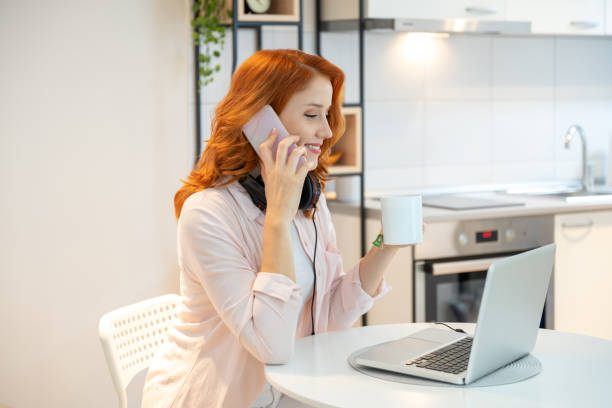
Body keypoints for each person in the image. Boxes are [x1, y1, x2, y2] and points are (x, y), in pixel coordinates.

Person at [141, 49, 406, 408]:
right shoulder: (207, 213)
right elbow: (272, 346)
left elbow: (328, 313)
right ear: (259, 122)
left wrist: (386, 246)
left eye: (326, 115)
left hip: (289, 393)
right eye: (312, 114)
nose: (327, 130)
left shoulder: (307, 198)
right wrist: (277, 219)